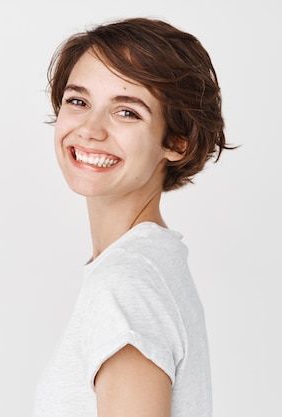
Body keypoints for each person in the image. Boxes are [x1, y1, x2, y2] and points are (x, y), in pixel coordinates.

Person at [33, 17, 231, 417]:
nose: (90, 129)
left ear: (176, 141)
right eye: (78, 101)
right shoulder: (151, 265)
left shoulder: (126, 283)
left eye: (126, 112)